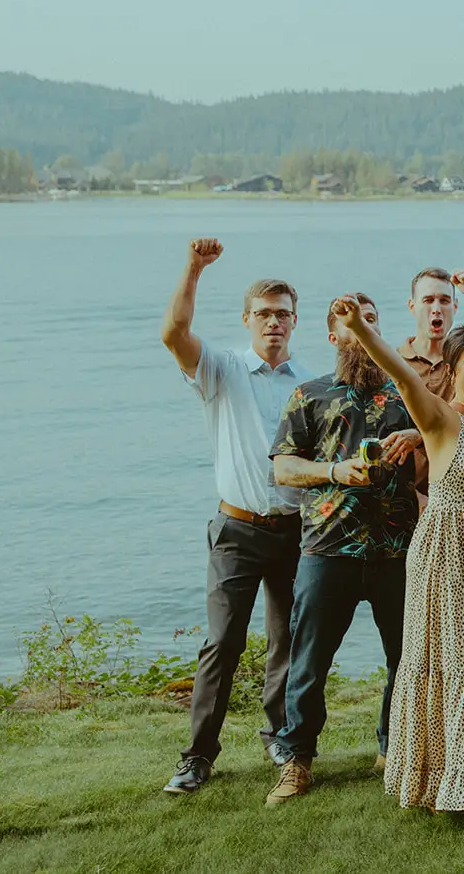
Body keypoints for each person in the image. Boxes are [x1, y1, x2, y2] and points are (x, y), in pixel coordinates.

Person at [335, 309, 464, 814]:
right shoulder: (440, 416)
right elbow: (399, 371)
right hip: (453, 552)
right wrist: (361, 330)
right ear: (453, 370)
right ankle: (458, 789)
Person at [159, 239, 307, 795]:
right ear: (247, 320)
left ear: (295, 321)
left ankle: (280, 736)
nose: (274, 322)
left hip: (295, 531)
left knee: (289, 640)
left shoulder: (309, 382)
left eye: (283, 314)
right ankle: (198, 755)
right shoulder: (220, 368)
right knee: (223, 642)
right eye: (264, 314)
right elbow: (173, 334)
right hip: (238, 530)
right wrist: (194, 268)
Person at [262, 294, 421, 805]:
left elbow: (447, 438)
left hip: (397, 552)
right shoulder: (310, 396)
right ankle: (297, 761)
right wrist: (334, 472)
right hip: (326, 552)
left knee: (405, 658)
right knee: (308, 662)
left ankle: (393, 748)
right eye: (353, 324)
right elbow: (283, 468)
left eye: (372, 321)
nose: (363, 330)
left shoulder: (406, 396)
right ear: (334, 337)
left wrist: (418, 435)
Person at [396, 267, 464, 397]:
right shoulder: (395, 360)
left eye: (444, 301)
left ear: (455, 307)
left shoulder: (463, 357)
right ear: (412, 306)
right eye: (428, 300)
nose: (436, 309)